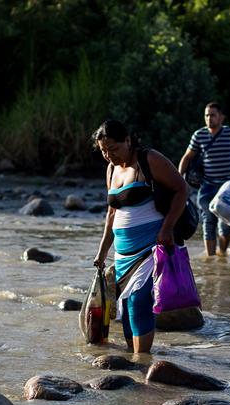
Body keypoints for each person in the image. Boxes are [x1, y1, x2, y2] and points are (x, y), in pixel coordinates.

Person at [92, 120, 187, 354]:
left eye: (113, 149)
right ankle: (136, 363)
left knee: (138, 301)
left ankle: (143, 358)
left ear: (127, 140)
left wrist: (168, 227)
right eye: (103, 151)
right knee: (125, 307)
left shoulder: (148, 159)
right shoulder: (111, 169)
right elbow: (111, 214)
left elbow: (181, 189)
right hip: (123, 255)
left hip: (151, 248)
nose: (108, 155)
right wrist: (102, 251)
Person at [178, 102, 230, 256]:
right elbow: (187, 157)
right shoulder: (199, 135)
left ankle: (222, 255)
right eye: (206, 115)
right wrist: (180, 177)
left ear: (221, 117)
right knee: (208, 223)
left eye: (212, 115)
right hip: (207, 186)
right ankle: (210, 259)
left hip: (228, 188)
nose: (209, 118)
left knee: (225, 224)